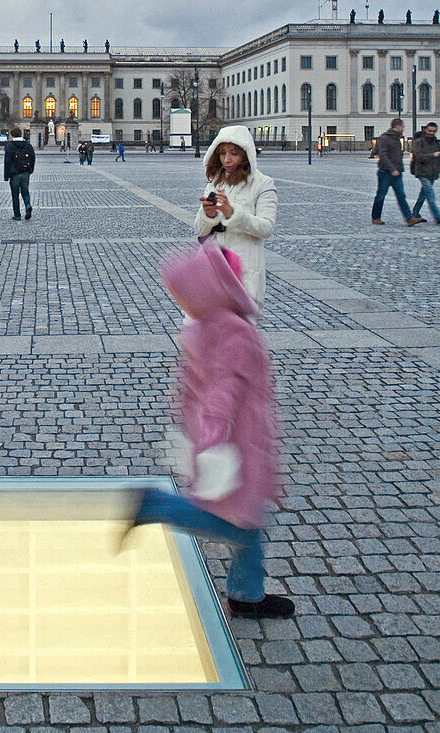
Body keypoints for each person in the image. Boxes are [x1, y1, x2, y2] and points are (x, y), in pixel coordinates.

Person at [123, 243, 291, 620]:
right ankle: (156, 506)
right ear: (224, 285)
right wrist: (215, 437)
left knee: (247, 520)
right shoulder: (235, 331)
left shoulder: (200, 326)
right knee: (239, 519)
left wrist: (192, 427)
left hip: (214, 435)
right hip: (237, 441)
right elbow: (223, 390)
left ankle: (247, 593)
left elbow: (188, 386)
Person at [193, 125, 277, 306]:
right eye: (222, 153)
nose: (227, 159)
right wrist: (208, 215)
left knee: (237, 331)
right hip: (212, 268)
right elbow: (199, 230)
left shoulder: (263, 184)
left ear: (246, 154)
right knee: (205, 330)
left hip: (244, 271)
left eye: (234, 153)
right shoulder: (216, 182)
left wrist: (233, 214)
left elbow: (266, 228)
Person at [371, 119, 419, 227]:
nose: (403, 129)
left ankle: (408, 218)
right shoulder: (385, 138)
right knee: (381, 195)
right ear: (397, 126)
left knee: (401, 195)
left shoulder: (396, 139)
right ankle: (375, 217)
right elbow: (383, 155)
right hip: (385, 172)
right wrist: (392, 169)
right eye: (402, 127)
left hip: (396, 172)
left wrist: (398, 169)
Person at [411, 121, 440, 225]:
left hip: (432, 173)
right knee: (430, 194)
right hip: (422, 172)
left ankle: (414, 214)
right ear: (426, 130)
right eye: (430, 130)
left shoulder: (436, 142)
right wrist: (433, 155)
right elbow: (418, 156)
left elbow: (439, 157)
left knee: (423, 194)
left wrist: (439, 169)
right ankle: (437, 217)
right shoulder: (418, 142)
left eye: (434, 131)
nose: (432, 133)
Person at [3, 128, 35, 221]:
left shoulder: (10, 145)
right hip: (25, 171)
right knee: (25, 192)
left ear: (12, 135)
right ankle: (27, 204)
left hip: (14, 173)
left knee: (15, 194)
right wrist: (31, 169)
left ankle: (17, 215)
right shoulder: (27, 145)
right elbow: (32, 157)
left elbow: (7, 161)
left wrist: (6, 175)